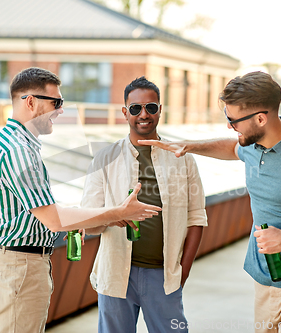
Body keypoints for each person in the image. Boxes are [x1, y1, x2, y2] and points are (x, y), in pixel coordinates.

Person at [139, 71, 281, 333]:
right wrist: (190, 146)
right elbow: (232, 148)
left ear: (261, 118)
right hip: (263, 281)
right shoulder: (253, 143)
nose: (229, 126)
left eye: (233, 120)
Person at [0, 68, 161, 333]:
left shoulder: (17, 145)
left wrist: (103, 216)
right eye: (56, 102)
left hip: (17, 267)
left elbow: (47, 214)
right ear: (30, 101)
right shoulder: (19, 152)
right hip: (18, 268)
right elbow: (55, 220)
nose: (61, 110)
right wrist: (117, 211)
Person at [82, 76, 208, 333]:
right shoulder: (104, 158)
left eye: (151, 107)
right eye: (135, 108)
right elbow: (88, 220)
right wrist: (112, 215)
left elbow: (197, 217)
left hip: (164, 276)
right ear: (125, 112)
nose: (143, 114)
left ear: (160, 110)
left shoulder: (182, 158)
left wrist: (182, 272)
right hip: (115, 274)